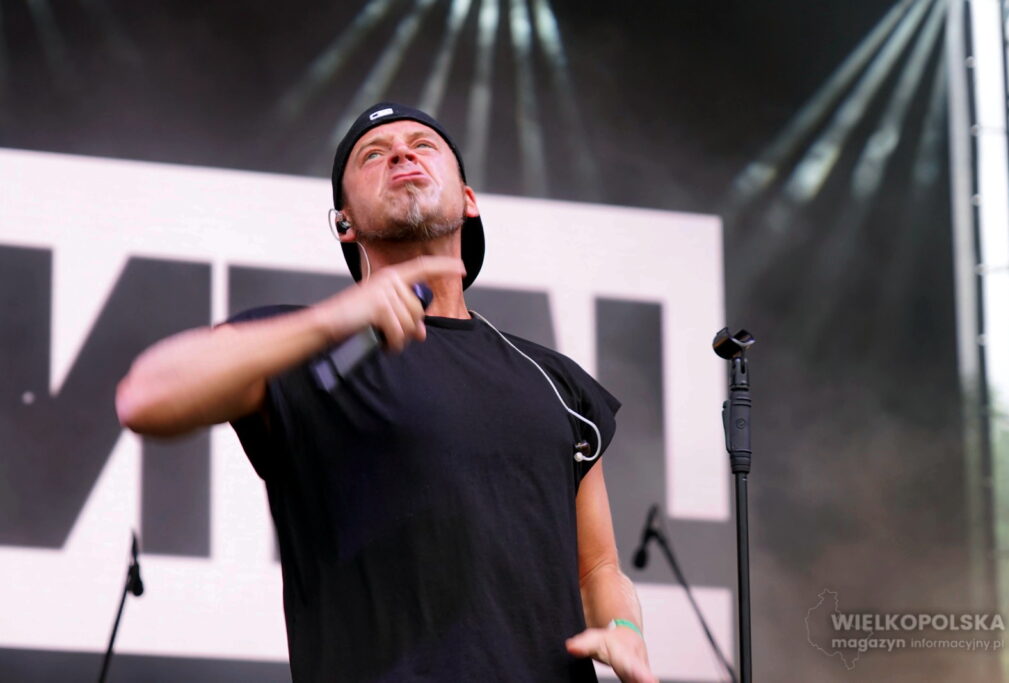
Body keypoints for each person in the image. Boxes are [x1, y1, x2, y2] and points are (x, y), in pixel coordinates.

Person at [117, 102, 656, 683]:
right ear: (343, 223)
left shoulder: (553, 378)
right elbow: (146, 398)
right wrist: (335, 319)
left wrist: (625, 630)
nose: (400, 152)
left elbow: (597, 567)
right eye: (373, 154)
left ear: (469, 200)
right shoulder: (307, 345)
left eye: (422, 145)